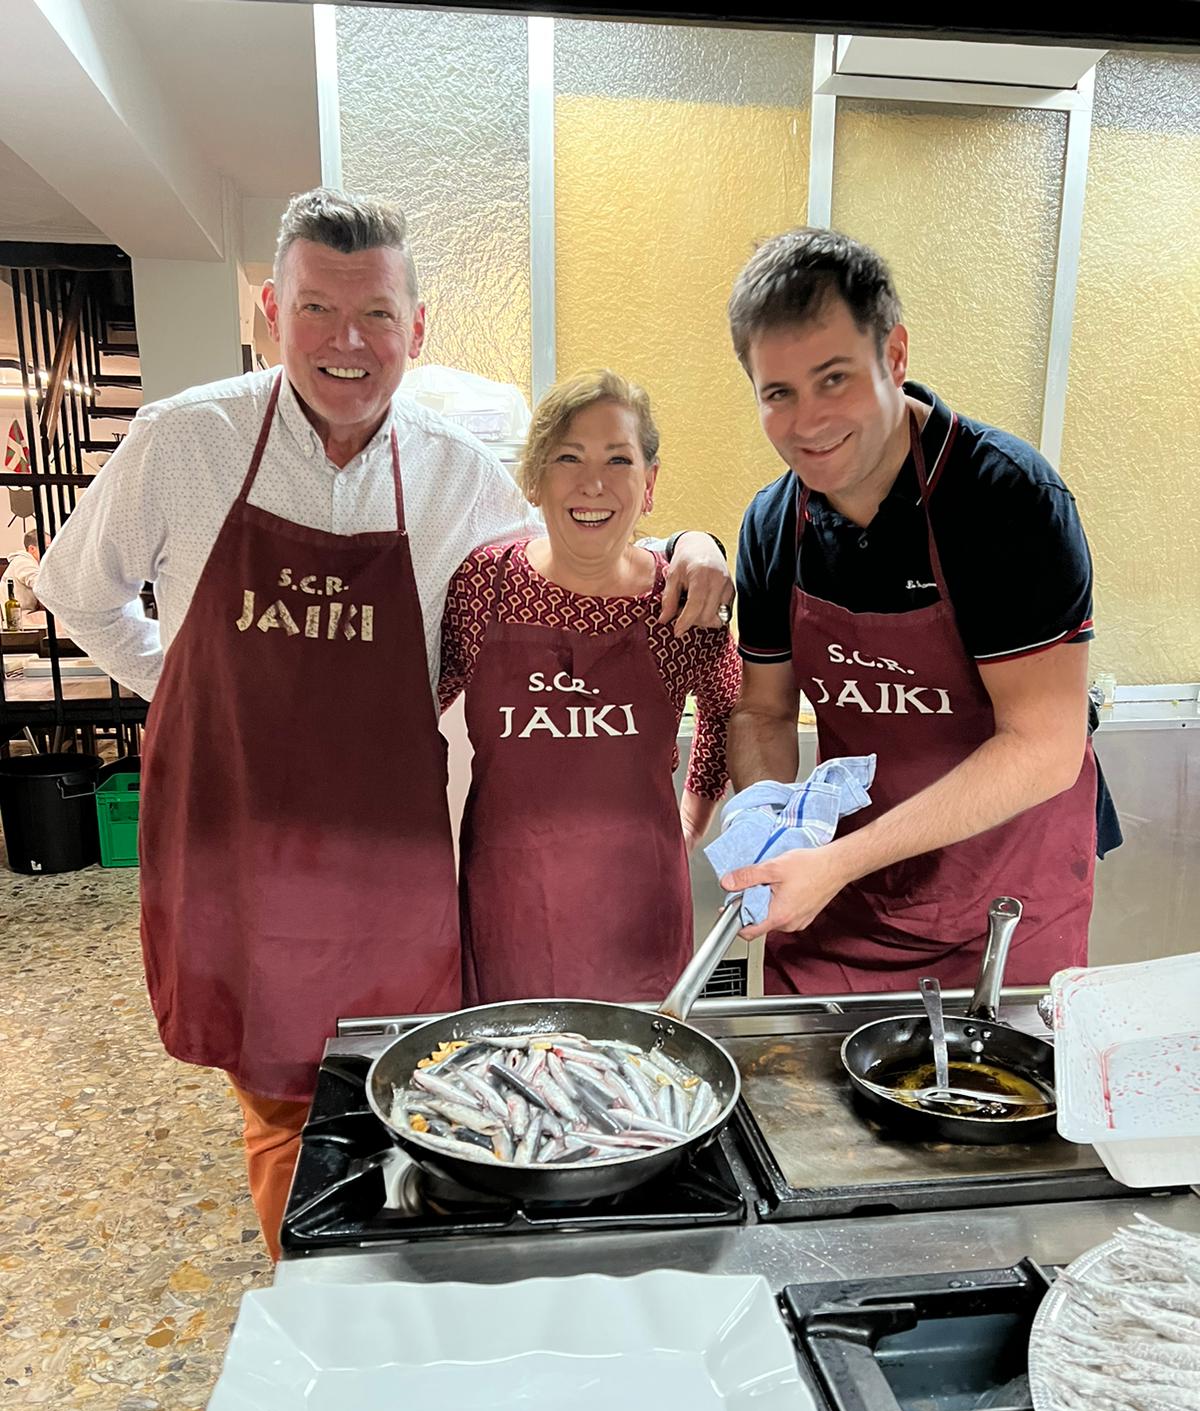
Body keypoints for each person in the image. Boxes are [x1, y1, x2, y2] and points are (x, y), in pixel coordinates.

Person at [33, 188, 733, 1258]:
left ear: (419, 326)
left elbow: (578, 558)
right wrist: (186, 690)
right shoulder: (187, 441)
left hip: (391, 863)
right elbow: (75, 590)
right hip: (240, 849)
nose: (347, 343)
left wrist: (694, 543)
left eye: (375, 315)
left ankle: (411, 1305)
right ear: (273, 308)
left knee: (417, 1094)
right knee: (280, 1110)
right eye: (317, 309)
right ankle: (313, 1299)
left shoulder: (457, 473)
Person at [719, 228, 1100, 993]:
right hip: (837, 914)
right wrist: (766, 816)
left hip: (999, 915)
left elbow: (1044, 745)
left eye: (834, 379)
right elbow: (762, 711)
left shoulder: (1003, 501)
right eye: (778, 393)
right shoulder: (773, 525)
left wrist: (838, 860)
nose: (808, 421)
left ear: (894, 355)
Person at [439, 369, 742, 1004]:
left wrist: (691, 819)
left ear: (649, 484)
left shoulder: (682, 601)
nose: (593, 483)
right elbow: (416, 715)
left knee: (632, 1086)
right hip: (510, 907)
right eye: (567, 457)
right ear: (534, 478)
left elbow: (729, 714)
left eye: (619, 459)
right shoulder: (483, 585)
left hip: (640, 914)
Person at [3, 528, 46, 626]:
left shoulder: (27, 562)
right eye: (47, 547)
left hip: (24, 615)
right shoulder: (23, 562)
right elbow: (39, 583)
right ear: (32, 549)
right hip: (18, 619)